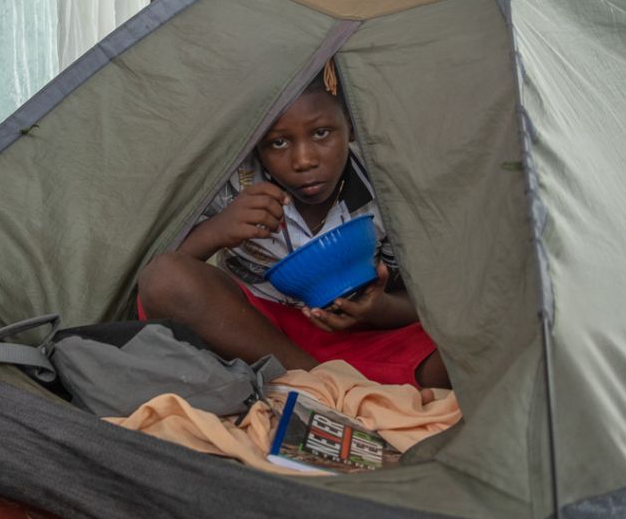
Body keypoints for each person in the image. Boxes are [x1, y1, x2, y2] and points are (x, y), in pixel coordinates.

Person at [137, 60, 449, 391]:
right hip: (254, 330)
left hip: (355, 337)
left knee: (466, 350)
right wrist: (216, 231)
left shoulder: (385, 190)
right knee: (163, 280)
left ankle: (317, 385)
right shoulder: (233, 182)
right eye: (278, 143)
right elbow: (166, 275)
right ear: (255, 142)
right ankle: (323, 387)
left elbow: (426, 303)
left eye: (321, 133)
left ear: (352, 127)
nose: (304, 160)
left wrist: (379, 309)